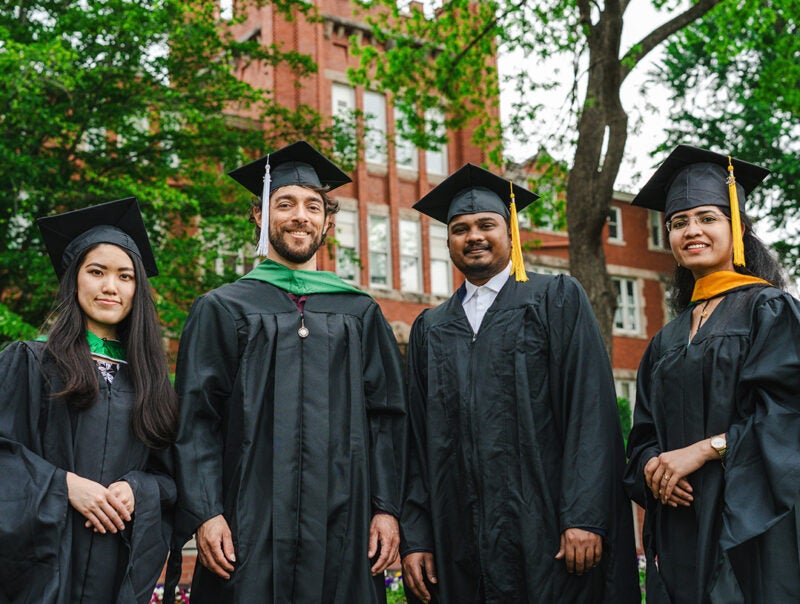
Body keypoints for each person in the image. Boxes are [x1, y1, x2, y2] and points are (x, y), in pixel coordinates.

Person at [170, 141, 407, 603]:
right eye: (285, 203)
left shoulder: (359, 313)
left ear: (327, 224)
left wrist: (386, 509)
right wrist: (206, 512)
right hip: (246, 526)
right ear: (260, 216)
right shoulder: (223, 308)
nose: (300, 215)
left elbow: (388, 418)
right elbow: (196, 419)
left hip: (346, 522)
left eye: (312, 206)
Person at [401, 163, 640, 603]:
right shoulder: (430, 328)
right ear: (448, 240)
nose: (473, 236)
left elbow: (591, 411)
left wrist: (585, 517)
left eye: (486, 224)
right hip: (460, 538)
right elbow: (415, 442)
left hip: (548, 532)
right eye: (460, 228)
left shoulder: (555, 299)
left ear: (510, 232)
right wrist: (416, 536)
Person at [624, 144, 800, 602]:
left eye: (706, 218)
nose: (691, 230)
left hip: (753, 521)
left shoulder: (769, 309)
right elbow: (643, 431)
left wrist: (702, 451)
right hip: (682, 524)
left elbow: (789, 414)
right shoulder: (667, 338)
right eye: (679, 223)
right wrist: (653, 464)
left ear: (737, 229)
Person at [0, 197, 178, 603]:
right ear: (74, 279)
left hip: (114, 567)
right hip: (39, 566)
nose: (110, 287)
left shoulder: (151, 383)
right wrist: (63, 485)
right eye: (96, 272)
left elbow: (171, 480)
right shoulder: (30, 362)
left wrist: (139, 488)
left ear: (137, 290)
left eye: (125, 276)